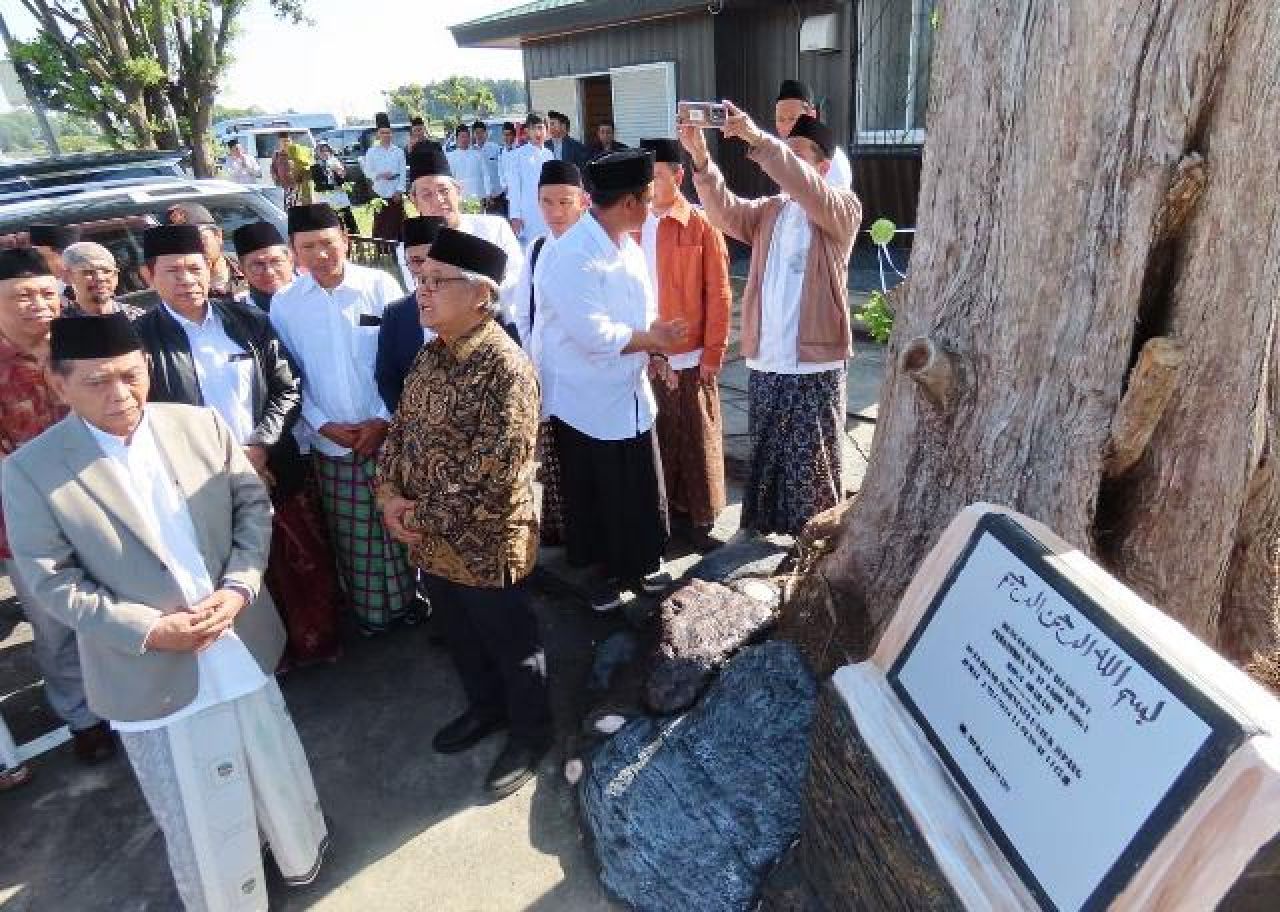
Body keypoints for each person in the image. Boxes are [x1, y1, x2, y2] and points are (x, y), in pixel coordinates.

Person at [3, 312, 329, 911]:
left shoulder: (199, 424)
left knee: (269, 758)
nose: (122, 395)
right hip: (146, 666)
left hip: (237, 632)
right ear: (59, 384)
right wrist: (150, 630)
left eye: (132, 375)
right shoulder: (30, 470)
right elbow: (50, 579)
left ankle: (297, 852)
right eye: (98, 382)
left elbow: (251, 507)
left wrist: (238, 587)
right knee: (193, 795)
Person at [375, 227, 550, 799]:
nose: (422, 291)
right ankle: (485, 708)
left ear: (481, 294)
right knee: (459, 634)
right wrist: (388, 496)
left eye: (436, 282)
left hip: (488, 541)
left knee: (511, 642)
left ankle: (531, 733)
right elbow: (400, 432)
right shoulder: (431, 354)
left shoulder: (507, 367)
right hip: (430, 539)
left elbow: (492, 474)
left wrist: (414, 516)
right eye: (420, 280)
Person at [134, 224, 342, 667]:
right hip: (196, 479)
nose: (187, 279)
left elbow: (287, 388)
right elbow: (142, 416)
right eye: (172, 271)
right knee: (235, 571)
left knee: (299, 559)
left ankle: (317, 642)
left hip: (267, 464)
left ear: (211, 270)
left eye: (195, 268)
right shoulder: (140, 341)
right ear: (147, 277)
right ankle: (266, 656)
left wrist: (261, 445)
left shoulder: (248, 322)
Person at [682, 105, 861, 536]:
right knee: (766, 453)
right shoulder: (770, 210)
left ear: (823, 165)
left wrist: (760, 141)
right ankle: (760, 534)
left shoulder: (841, 208)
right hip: (767, 358)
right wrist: (702, 160)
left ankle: (809, 543)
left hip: (813, 362)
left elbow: (805, 186)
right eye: (787, 149)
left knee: (810, 461)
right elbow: (723, 212)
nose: (788, 156)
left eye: (798, 151)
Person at [536, 150, 688, 611]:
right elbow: (594, 334)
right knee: (596, 491)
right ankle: (602, 576)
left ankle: (641, 563)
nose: (652, 205)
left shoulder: (626, 243)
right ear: (627, 202)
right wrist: (652, 339)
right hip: (586, 396)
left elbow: (641, 309)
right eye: (647, 197)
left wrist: (655, 348)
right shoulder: (571, 254)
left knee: (640, 480)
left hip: (629, 389)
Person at [269, 203, 416, 634]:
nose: (320, 254)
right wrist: (319, 422)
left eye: (328, 243)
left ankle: (411, 603)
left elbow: (401, 359)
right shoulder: (285, 303)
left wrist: (382, 419)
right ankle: (373, 616)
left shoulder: (380, 285)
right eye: (307, 246)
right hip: (330, 438)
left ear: (346, 242)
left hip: (387, 432)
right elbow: (288, 373)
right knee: (356, 537)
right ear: (293, 252)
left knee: (402, 524)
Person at [0, 248, 116, 765]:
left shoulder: (80, 342)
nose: (38, 305)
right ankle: (82, 717)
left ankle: (125, 697)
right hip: (27, 520)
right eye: (21, 296)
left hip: (106, 502)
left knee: (116, 602)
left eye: (47, 292)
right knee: (57, 622)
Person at [639, 138, 732, 549]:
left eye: (657, 175)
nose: (650, 185)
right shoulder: (633, 225)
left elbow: (720, 293)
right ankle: (663, 517)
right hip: (645, 351)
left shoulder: (700, 223)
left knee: (697, 436)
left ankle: (701, 522)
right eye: (645, 177)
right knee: (658, 436)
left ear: (677, 176)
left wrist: (713, 351)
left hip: (692, 351)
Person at [513, 160, 588, 548]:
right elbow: (524, 312)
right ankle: (562, 528)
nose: (556, 212)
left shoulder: (597, 248)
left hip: (587, 376)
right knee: (554, 454)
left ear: (583, 202)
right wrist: (532, 357)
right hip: (546, 370)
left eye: (565, 202)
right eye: (547, 202)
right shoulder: (537, 248)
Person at [406, 143, 525, 339]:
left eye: (444, 190)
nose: (438, 200)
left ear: (458, 190)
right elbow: (422, 297)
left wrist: (478, 307)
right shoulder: (413, 249)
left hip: (497, 329)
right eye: (426, 194)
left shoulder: (495, 228)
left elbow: (516, 281)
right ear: (414, 201)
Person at [376, 216, 445, 412]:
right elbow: (387, 378)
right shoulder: (396, 313)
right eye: (416, 261)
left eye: (434, 257)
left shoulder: (477, 307)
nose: (426, 268)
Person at [165, 202, 249, 305]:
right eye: (181, 242)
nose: (192, 247)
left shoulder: (251, 268)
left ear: (218, 236)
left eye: (198, 238)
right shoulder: (174, 289)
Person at [775, 79, 853, 190]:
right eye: (780, 119)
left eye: (793, 118)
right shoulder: (783, 150)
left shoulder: (832, 160)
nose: (786, 126)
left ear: (811, 115)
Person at [61, 241, 144, 318]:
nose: (100, 278)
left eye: (107, 271)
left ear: (116, 276)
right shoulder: (58, 328)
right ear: (67, 277)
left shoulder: (138, 319)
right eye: (89, 272)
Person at [505, 112, 554, 242]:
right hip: (528, 212)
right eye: (533, 128)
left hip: (548, 210)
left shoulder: (549, 154)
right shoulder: (517, 155)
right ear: (527, 131)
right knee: (531, 249)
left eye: (540, 128)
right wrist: (515, 215)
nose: (538, 132)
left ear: (547, 130)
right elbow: (514, 188)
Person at [363, 112, 408, 242]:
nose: (386, 135)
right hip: (379, 191)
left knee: (397, 220)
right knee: (381, 221)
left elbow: (403, 172)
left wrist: (399, 190)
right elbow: (367, 171)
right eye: (383, 133)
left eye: (388, 132)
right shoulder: (371, 152)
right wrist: (380, 175)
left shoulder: (398, 151)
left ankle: (400, 245)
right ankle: (382, 248)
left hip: (395, 191)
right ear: (378, 134)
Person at [233, 221, 296, 312]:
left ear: (290, 260)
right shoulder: (237, 313)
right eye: (258, 265)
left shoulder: (317, 295)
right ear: (242, 270)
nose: (269, 272)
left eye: (275, 261)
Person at [311, 141, 360, 235]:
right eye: (322, 151)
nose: (325, 153)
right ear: (318, 153)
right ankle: (338, 234)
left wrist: (340, 172)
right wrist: (331, 184)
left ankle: (355, 235)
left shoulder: (336, 162)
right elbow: (319, 183)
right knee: (333, 217)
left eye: (327, 151)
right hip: (327, 196)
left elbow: (345, 178)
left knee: (347, 214)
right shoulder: (315, 166)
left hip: (339, 193)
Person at [445, 123, 491, 204]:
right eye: (462, 137)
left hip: (478, 196)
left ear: (470, 138)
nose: (464, 139)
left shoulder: (477, 155)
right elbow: (448, 179)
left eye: (466, 136)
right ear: (456, 138)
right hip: (459, 198)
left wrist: (488, 193)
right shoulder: (450, 157)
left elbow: (485, 175)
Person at [473, 120, 505, 215]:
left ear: (486, 133)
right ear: (473, 134)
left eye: (481, 132)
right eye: (477, 133)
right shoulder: (472, 151)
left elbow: (503, 169)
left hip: (497, 195)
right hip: (479, 197)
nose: (479, 135)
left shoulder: (496, 149)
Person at [271, 131, 303, 208]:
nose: (286, 143)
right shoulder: (276, 155)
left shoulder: (298, 153)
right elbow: (273, 170)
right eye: (283, 141)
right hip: (283, 189)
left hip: (297, 188)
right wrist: (277, 182)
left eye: (288, 141)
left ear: (291, 142)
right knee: (286, 210)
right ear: (279, 143)